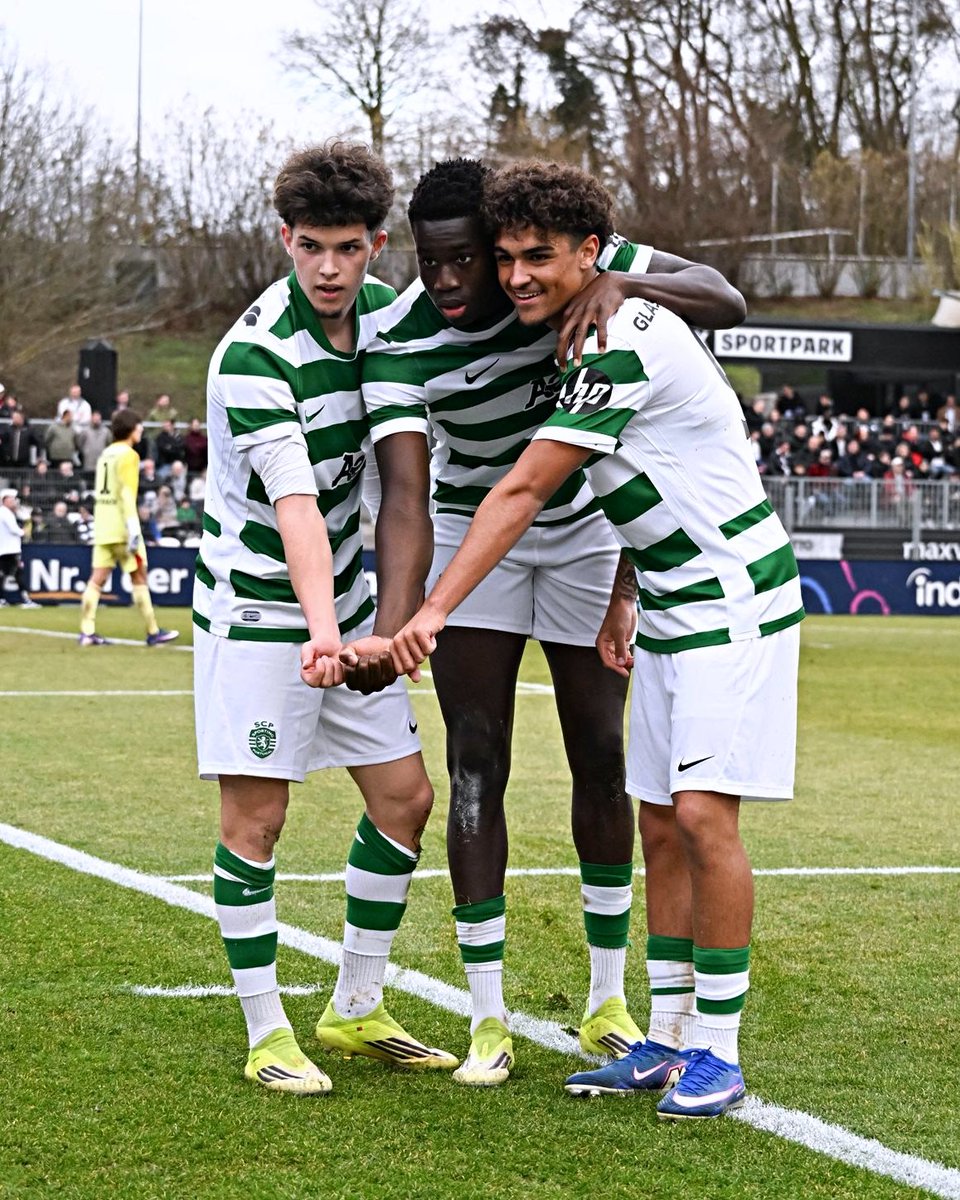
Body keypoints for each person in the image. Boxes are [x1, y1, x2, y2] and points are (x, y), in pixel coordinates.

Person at [386, 160, 803, 1119]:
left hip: (734, 600)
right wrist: (627, 589)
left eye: (541, 257)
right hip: (670, 597)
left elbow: (526, 490)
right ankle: (663, 1040)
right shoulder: (583, 326)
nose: (519, 275)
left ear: (593, 255)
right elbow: (648, 476)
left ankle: (721, 1054)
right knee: (657, 819)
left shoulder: (621, 334)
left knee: (703, 819)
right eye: (508, 259)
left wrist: (430, 612)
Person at [193, 140, 457, 1097]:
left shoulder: (388, 318)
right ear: (285, 241)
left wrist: (378, 627)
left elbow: (398, 481)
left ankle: (354, 1007)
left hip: (345, 606)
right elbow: (297, 507)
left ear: (378, 245)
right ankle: (267, 1033)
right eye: (312, 247)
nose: (331, 269)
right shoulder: (256, 355)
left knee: (404, 798)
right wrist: (322, 634)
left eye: (349, 248)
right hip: (262, 607)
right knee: (257, 819)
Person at [77, 408, 179, 647]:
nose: (141, 429)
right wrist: (133, 528)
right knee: (139, 576)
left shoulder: (106, 454)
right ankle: (153, 631)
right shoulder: (129, 455)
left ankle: (87, 631)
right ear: (131, 429)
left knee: (96, 579)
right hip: (123, 527)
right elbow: (126, 493)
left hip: (103, 525)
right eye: (139, 426)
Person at [0, 489, 39, 607]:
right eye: (11, 499)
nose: (14, 502)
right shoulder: (5, 513)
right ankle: (26, 600)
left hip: (7, 550)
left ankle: (2, 599)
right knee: (17, 575)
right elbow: (16, 531)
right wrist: (26, 527)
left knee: (4, 576)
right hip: (9, 551)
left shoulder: (7, 512)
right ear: (4, 501)